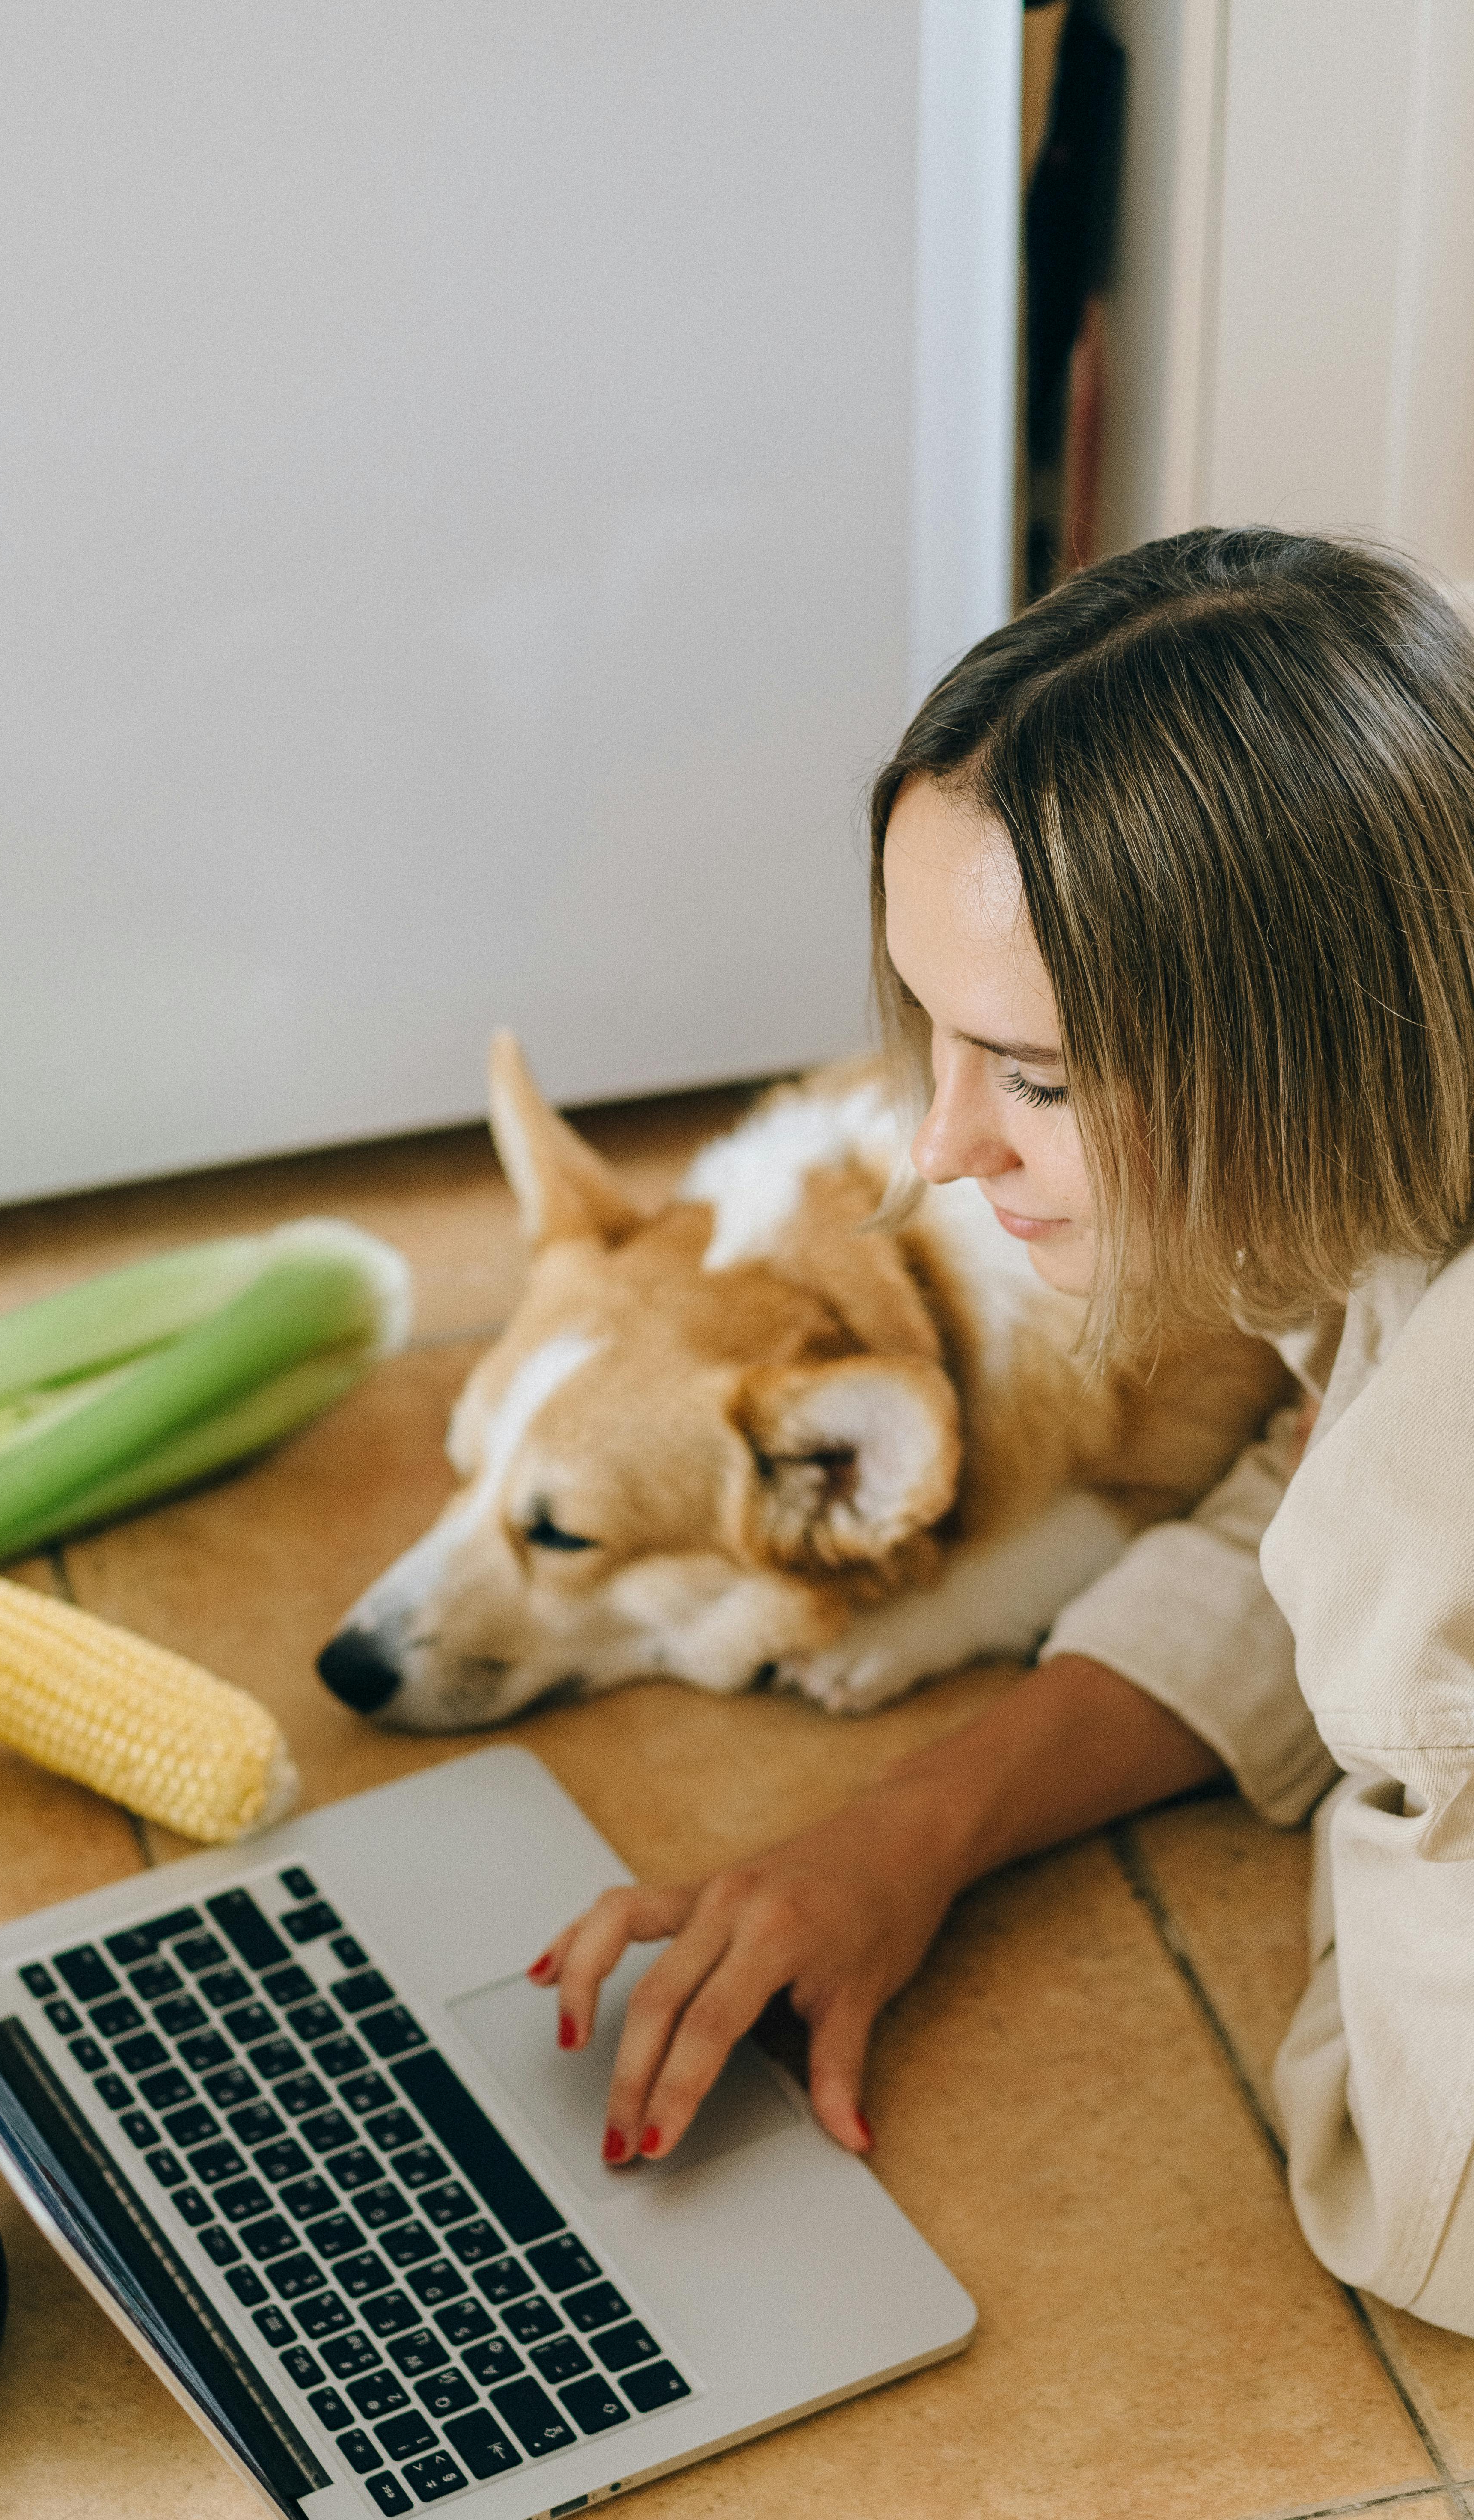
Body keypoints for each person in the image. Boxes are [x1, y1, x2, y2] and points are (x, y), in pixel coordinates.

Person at [528, 526, 1474, 2336]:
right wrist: (909, 1834)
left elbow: (1421, 2212)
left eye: (1033, 1081)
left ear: (1301, 1038)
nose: (941, 1150)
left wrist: (1395, 1718)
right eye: (937, 1046)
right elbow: (1294, 1493)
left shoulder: (1425, 1506)